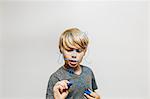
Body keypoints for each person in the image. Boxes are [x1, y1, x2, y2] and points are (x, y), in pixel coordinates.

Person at [46, 28, 100, 99]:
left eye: (79, 51)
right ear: (60, 49)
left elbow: (93, 93)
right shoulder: (56, 78)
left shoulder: (88, 72)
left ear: (85, 51)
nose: (74, 55)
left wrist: (98, 98)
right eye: (69, 50)